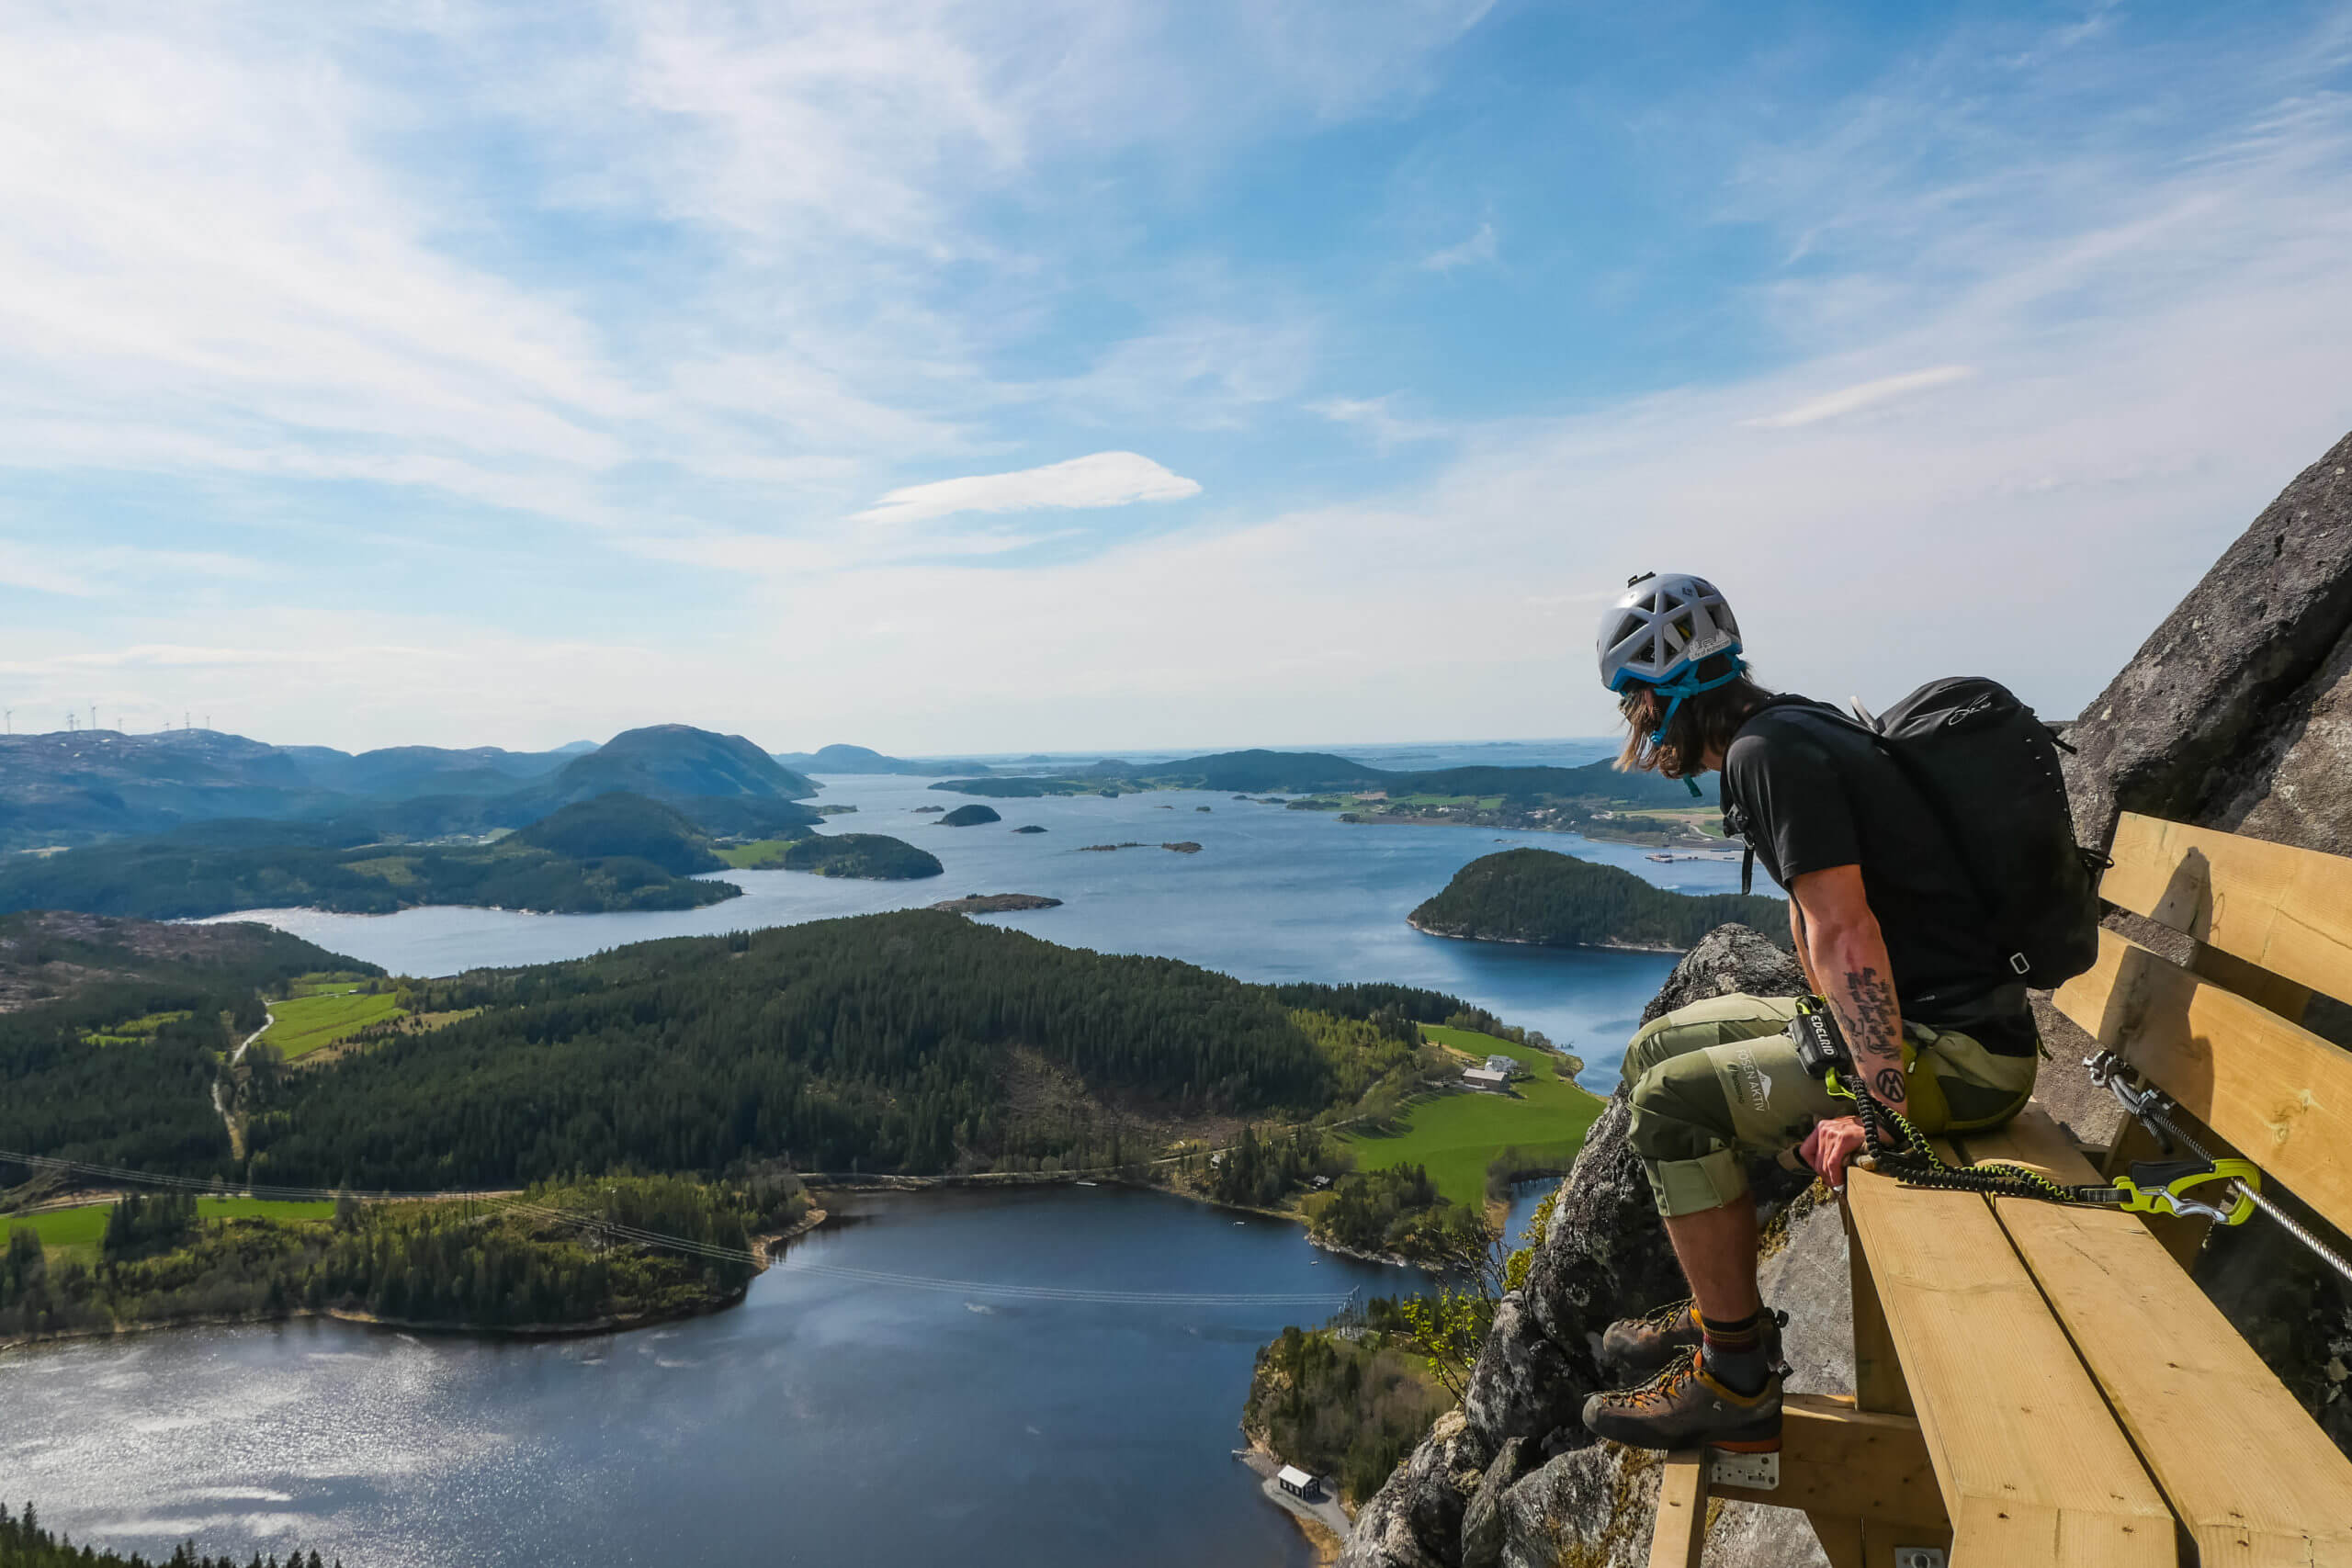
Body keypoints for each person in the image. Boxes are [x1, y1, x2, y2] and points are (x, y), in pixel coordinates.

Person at [1577, 571, 2041, 1455]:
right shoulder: (1786, 724)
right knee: (1651, 1052)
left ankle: (1735, 1381)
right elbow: (1821, 921)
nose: (1634, 726)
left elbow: (1845, 929)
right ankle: (1724, 1310)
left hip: (1963, 1057)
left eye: (1634, 701)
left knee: (1671, 1101)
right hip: (1935, 1026)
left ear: (1668, 694)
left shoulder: (1764, 755)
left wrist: (1879, 1109)